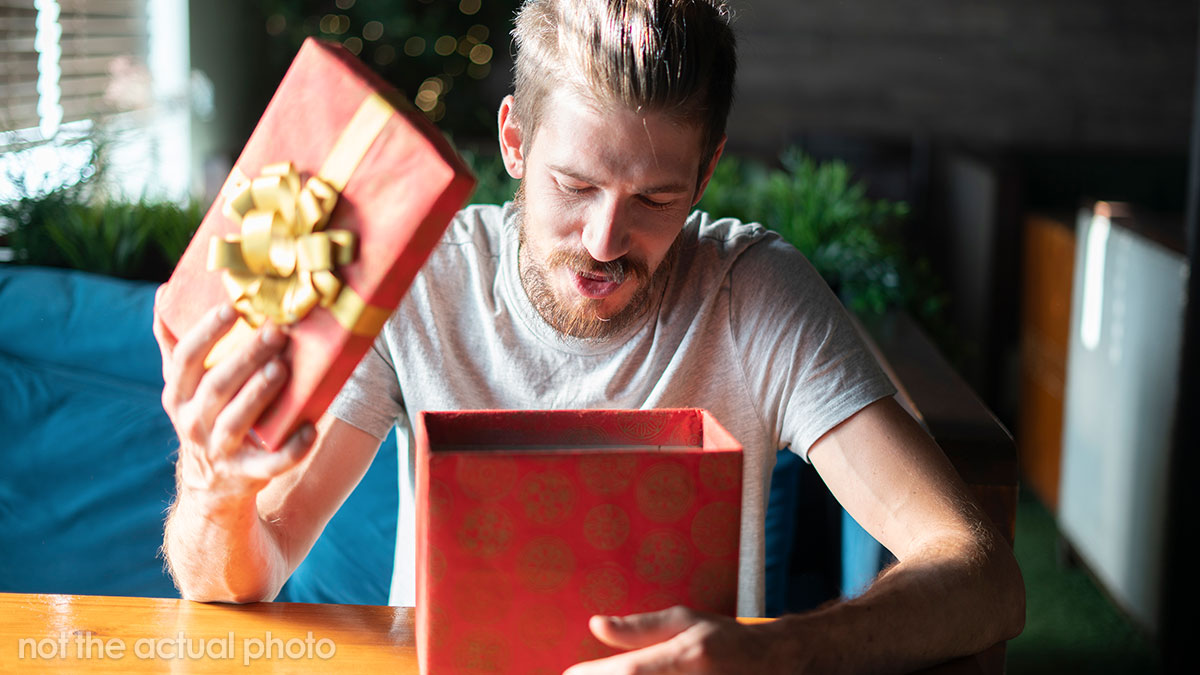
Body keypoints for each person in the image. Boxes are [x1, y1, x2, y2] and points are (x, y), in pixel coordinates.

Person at [154, 1, 1024, 671]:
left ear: (707, 172)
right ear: (515, 141)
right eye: (575, 185)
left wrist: (775, 650)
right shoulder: (423, 280)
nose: (606, 241)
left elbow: (983, 574)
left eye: (655, 198)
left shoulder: (753, 294)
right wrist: (215, 487)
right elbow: (246, 570)